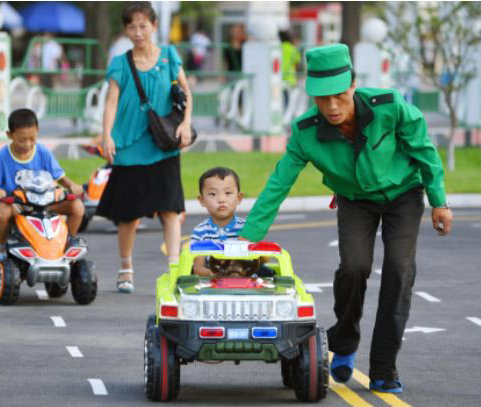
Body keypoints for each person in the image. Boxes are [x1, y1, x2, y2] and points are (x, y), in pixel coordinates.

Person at [238, 44, 453, 394]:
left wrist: (439, 202)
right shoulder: (306, 132)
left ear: (353, 84)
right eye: (323, 99)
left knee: (399, 270)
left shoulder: (389, 106)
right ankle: (345, 340)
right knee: (354, 267)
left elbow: (424, 150)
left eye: (339, 95)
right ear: (312, 97)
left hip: (404, 194)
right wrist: (248, 240)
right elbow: (279, 184)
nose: (332, 107)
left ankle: (384, 367)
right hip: (355, 200)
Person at [98, 2, 193, 293]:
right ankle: (126, 268)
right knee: (128, 215)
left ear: (153, 25)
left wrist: (186, 124)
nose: (138, 32)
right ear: (125, 30)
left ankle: (175, 271)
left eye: (143, 25)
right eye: (131, 27)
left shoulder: (169, 56)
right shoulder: (120, 63)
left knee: (170, 209)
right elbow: (111, 100)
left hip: (163, 143)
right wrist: (106, 134)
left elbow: (187, 92)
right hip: (128, 146)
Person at [0, 108, 84, 270]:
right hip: (17, 206)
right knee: (3, 211)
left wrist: (72, 186)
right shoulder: (2, 157)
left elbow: (60, 177)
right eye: (21, 140)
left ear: (38, 131)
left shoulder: (43, 152)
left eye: (32, 139)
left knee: (77, 207)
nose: (27, 144)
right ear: (9, 135)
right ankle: (0, 250)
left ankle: (66, 244)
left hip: (45, 203)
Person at [191, 167, 244, 276]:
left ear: (239, 198)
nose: (221, 199)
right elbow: (198, 267)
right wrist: (213, 274)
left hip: (244, 280)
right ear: (202, 200)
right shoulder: (200, 231)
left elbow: (258, 260)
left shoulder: (246, 228)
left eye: (228, 193)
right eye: (212, 194)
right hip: (212, 284)